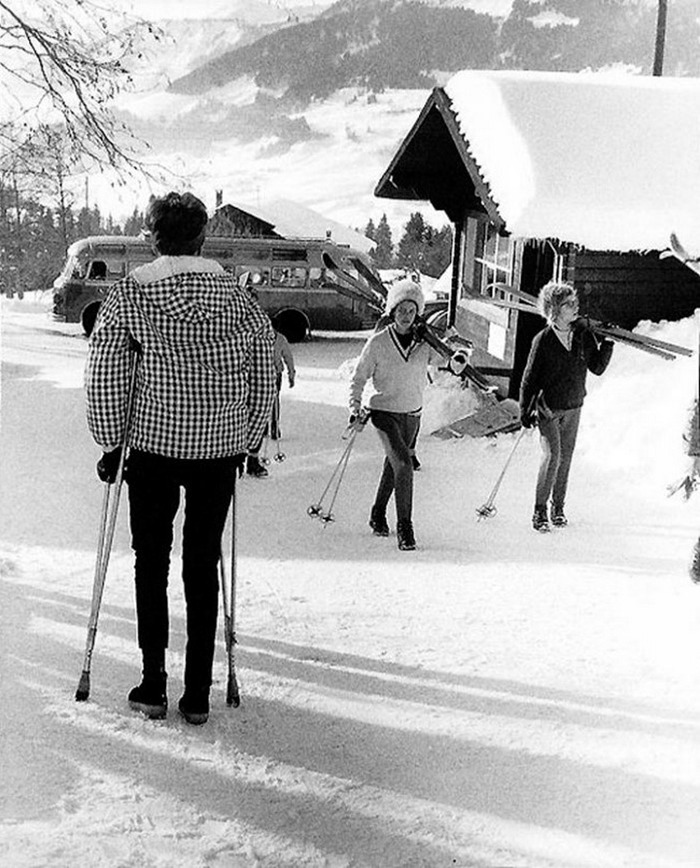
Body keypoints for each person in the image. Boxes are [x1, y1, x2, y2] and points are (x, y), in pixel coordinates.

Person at [85, 192, 276, 725]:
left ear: (153, 238)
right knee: (201, 564)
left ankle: (152, 683)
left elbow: (104, 373)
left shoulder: (131, 296)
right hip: (215, 450)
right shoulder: (238, 300)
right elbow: (263, 372)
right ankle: (197, 692)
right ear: (202, 238)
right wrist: (247, 437)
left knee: (152, 561)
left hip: (150, 448)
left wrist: (109, 441)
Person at [349, 278, 465, 551]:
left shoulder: (423, 343)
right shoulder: (378, 342)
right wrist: (354, 405)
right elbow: (359, 376)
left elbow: (447, 362)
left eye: (411, 311)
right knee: (403, 465)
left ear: (417, 314)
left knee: (393, 468)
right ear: (393, 310)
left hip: (412, 414)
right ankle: (406, 527)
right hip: (384, 412)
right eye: (401, 310)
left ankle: (377, 513)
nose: (406, 316)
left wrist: (457, 359)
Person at [519, 280, 613, 533]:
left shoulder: (582, 335)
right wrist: (524, 409)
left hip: (574, 406)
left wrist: (607, 344)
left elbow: (597, 368)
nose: (575, 306)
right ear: (554, 310)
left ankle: (557, 508)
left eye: (575, 302)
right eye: (568, 304)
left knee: (566, 458)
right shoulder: (543, 340)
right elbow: (530, 377)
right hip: (549, 408)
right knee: (553, 456)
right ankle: (539, 510)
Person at [245, 324, 296, 477]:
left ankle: (274, 425)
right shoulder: (254, 337)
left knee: (273, 401)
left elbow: (288, 357)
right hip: (254, 377)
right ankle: (262, 429)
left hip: (275, 375)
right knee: (258, 406)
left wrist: (291, 374)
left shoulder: (280, 339)